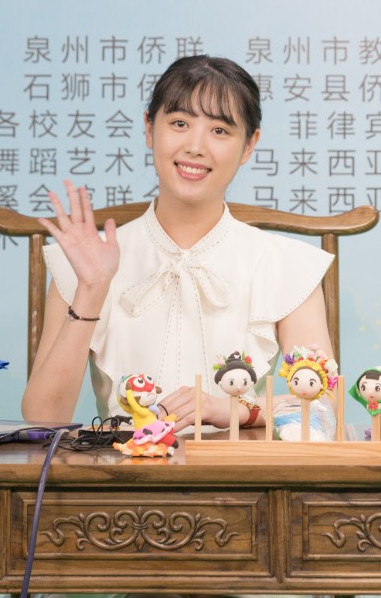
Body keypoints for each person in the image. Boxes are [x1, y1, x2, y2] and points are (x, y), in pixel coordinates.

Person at [20, 55, 334, 429]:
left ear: (249, 145)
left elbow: (322, 407)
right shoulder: (87, 262)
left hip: (239, 467)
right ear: (149, 128)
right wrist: (91, 288)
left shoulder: (287, 265)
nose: (195, 147)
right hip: (117, 465)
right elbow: (42, 418)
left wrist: (231, 410)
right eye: (180, 123)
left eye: (220, 130)